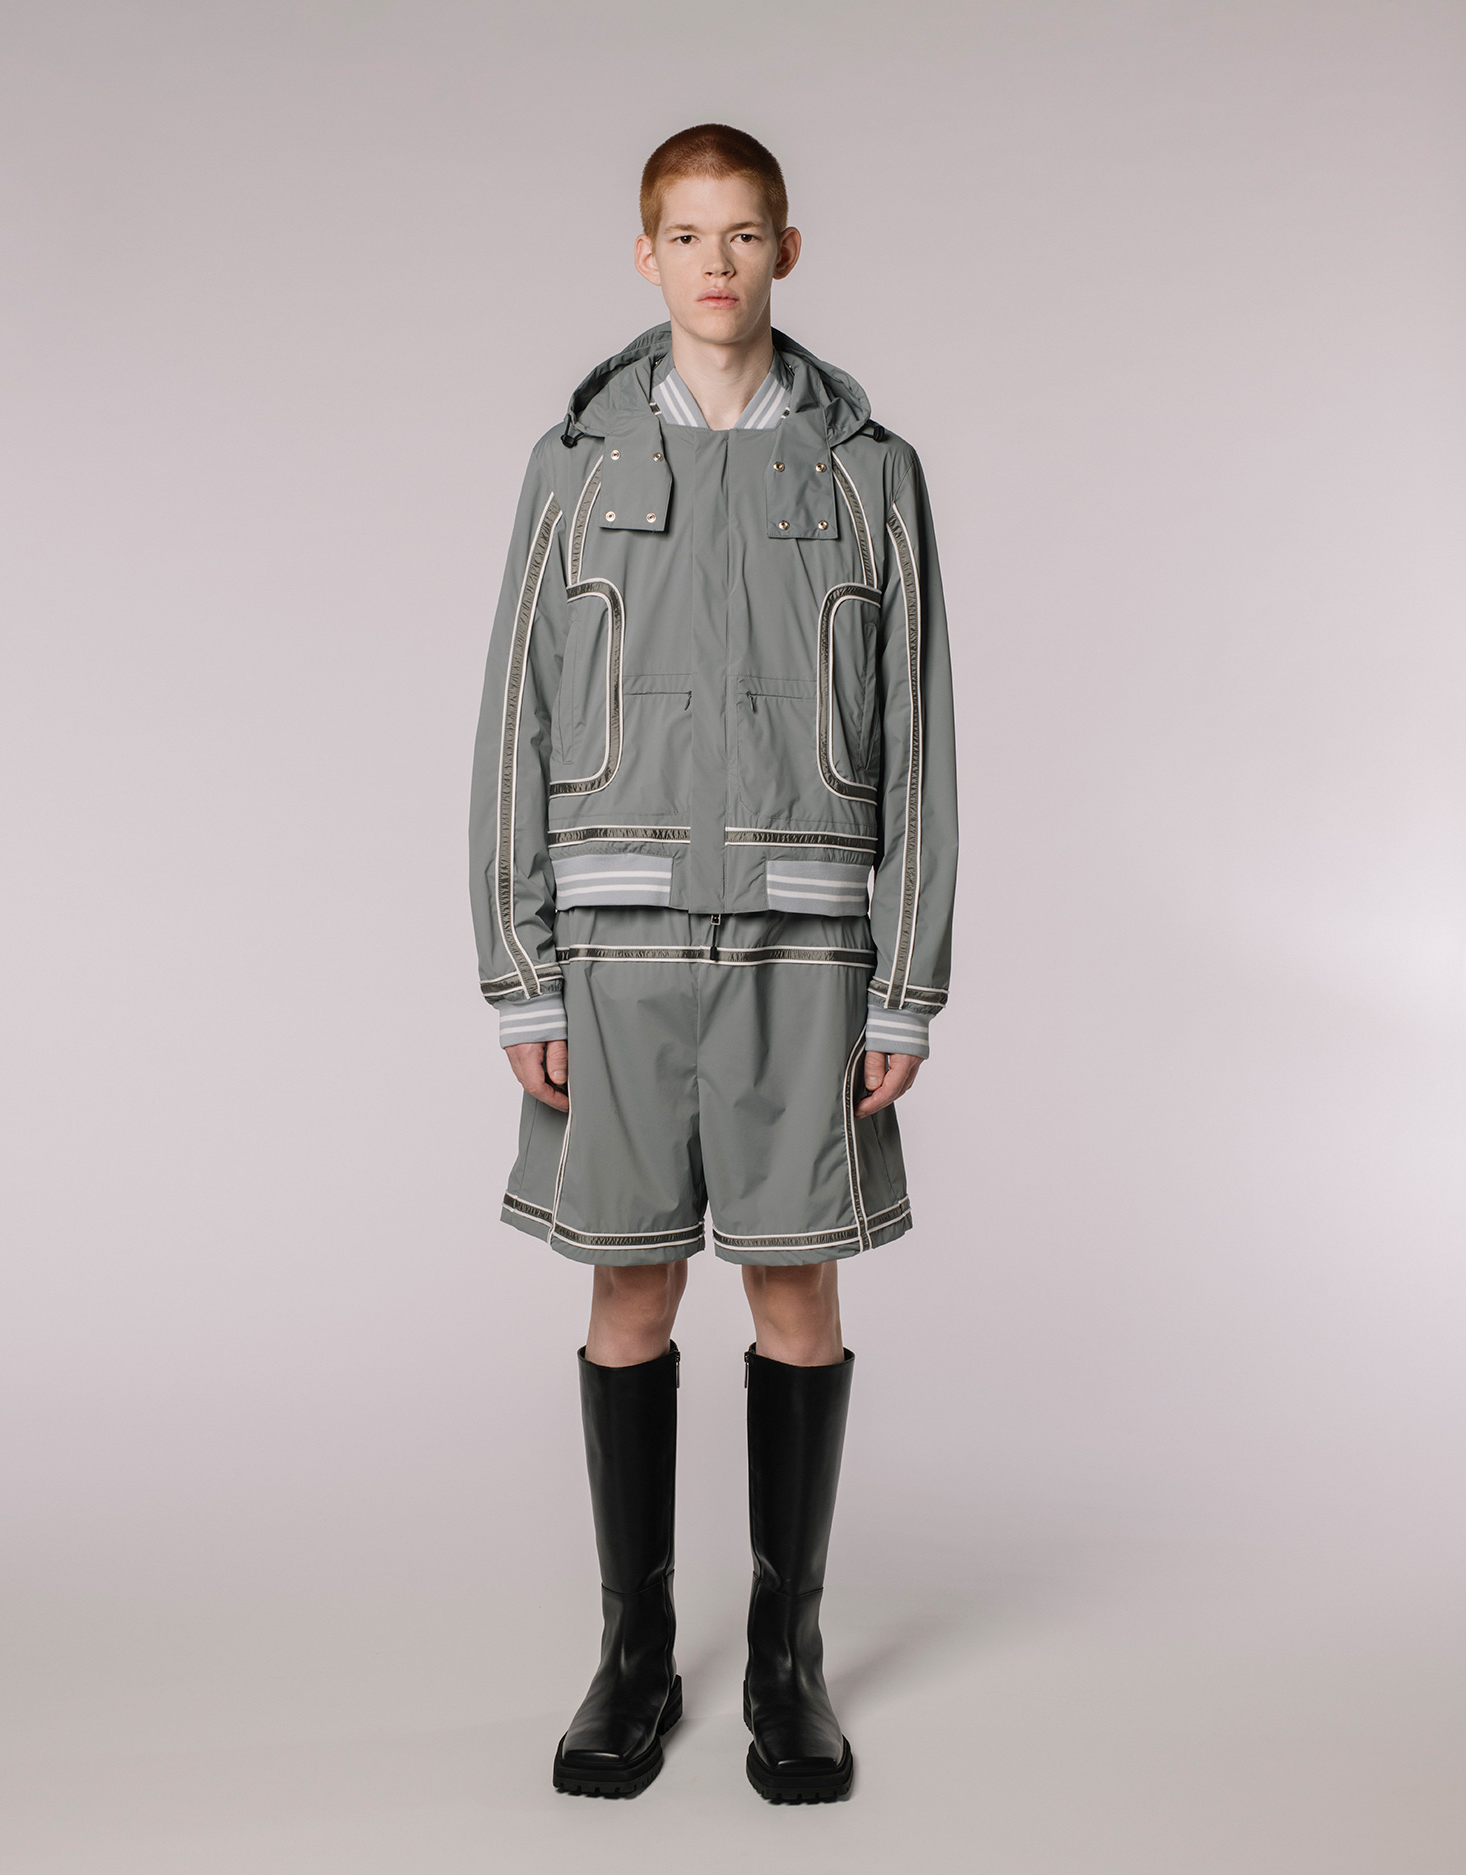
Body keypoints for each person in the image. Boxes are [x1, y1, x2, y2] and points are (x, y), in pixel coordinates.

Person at [468, 123, 956, 1804]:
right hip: (612, 947)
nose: (718, 263)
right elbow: (513, 721)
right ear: (647, 257)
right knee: (629, 1285)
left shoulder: (870, 471)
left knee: (797, 1284)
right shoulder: (574, 466)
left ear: (785, 251)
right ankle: (632, 1651)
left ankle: (789, 1659)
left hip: (808, 950)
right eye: (687, 235)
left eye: (744, 234)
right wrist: (517, 968)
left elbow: (923, 735)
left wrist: (909, 983)